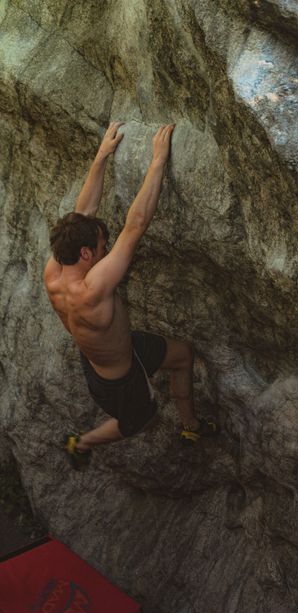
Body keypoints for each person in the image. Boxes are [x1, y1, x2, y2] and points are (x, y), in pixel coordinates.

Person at [44, 122, 218, 468]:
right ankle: (83, 442)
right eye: (101, 246)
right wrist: (157, 162)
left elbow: (83, 214)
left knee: (183, 355)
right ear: (86, 255)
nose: (106, 248)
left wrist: (101, 156)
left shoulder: (56, 269)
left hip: (116, 350)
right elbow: (135, 227)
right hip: (118, 380)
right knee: (140, 420)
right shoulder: (93, 288)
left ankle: (191, 427)